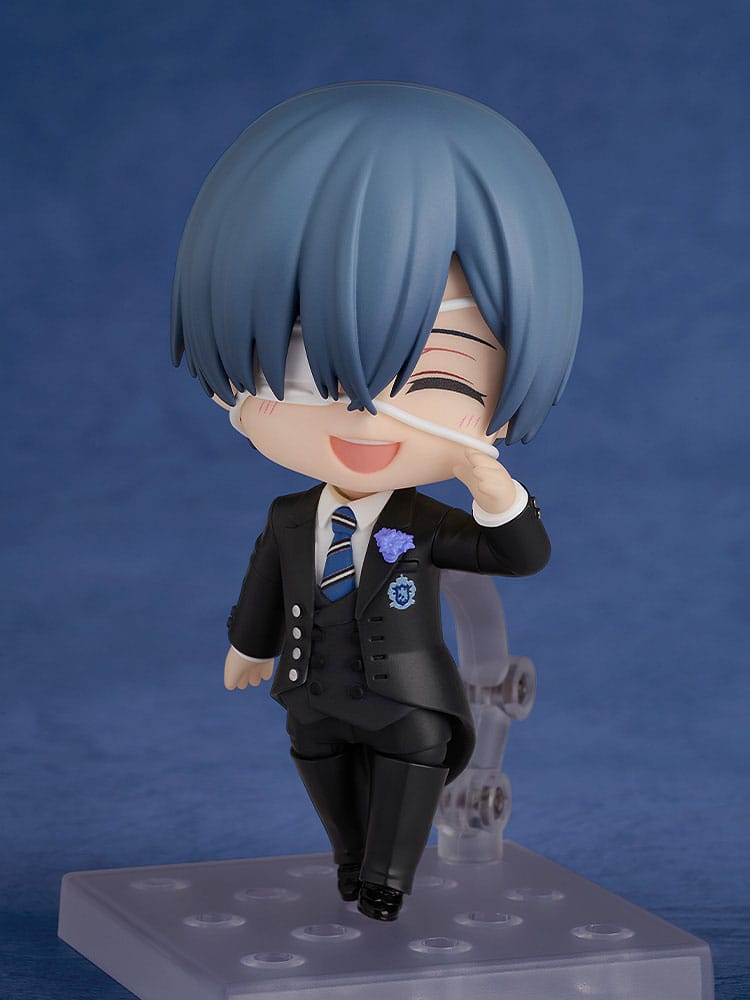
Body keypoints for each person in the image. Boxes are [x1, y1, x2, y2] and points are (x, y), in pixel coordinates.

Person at [171, 82, 582, 921]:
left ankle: (386, 881)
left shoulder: (422, 524)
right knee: (325, 777)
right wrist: (249, 648)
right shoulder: (291, 519)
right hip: (310, 697)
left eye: (434, 375)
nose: (363, 416)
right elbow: (265, 587)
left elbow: (517, 556)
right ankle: (350, 863)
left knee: (409, 772)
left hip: (408, 705)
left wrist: (494, 489)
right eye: (306, 370)